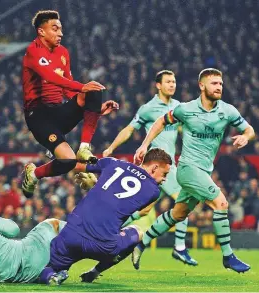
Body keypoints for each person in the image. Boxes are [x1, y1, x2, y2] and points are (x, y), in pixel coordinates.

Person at [133, 68, 255, 273]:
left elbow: (249, 129)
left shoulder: (228, 111)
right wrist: (145, 144)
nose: (219, 87)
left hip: (204, 172)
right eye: (214, 83)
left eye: (221, 84)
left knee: (177, 214)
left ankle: (141, 244)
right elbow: (161, 121)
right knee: (221, 203)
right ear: (202, 85)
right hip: (188, 168)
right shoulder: (186, 109)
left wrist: (245, 137)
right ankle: (228, 256)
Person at [103, 70, 197, 265]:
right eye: (168, 82)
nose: (172, 85)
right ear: (158, 85)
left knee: (143, 210)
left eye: (174, 81)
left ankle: (109, 234)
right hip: (157, 165)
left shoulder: (178, 107)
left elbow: (186, 129)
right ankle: (179, 248)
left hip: (168, 166)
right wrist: (111, 147)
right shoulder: (148, 109)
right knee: (184, 199)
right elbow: (130, 129)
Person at [21, 10, 118, 198]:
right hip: (39, 117)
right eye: (55, 29)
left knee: (93, 91)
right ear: (41, 32)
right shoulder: (33, 51)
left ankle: (84, 147)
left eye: (61, 29)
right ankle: (33, 174)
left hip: (59, 111)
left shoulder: (63, 52)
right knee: (67, 162)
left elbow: (68, 89)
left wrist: (94, 108)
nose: (60, 34)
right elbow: (51, 77)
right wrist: (83, 87)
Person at [40, 148, 172, 284]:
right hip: (103, 246)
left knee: (48, 268)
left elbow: (75, 166)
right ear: (155, 167)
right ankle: (94, 273)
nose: (164, 179)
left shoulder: (112, 163)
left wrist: (60, 153)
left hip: (72, 236)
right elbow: (120, 201)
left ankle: (51, 276)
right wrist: (97, 184)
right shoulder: (153, 191)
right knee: (137, 233)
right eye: (164, 174)